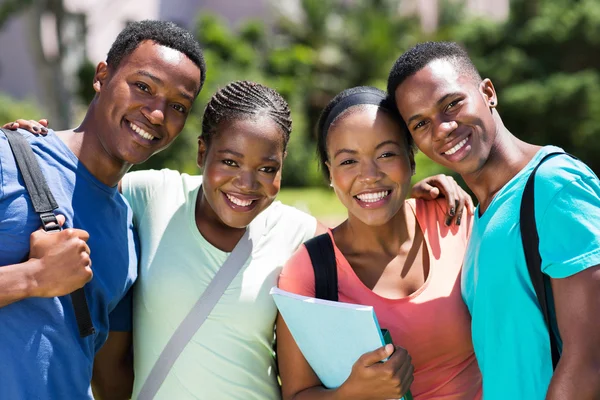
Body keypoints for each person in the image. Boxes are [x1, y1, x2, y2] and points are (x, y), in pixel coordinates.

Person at [12, 81, 467, 399]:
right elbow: (87, 177)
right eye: (229, 161)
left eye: (267, 169)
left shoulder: (300, 234)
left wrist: (418, 196)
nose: (246, 183)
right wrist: (38, 142)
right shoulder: (152, 194)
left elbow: (364, 230)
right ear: (202, 153)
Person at [0, 20, 205, 399]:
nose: (157, 114)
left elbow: (109, 376)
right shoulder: (9, 157)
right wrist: (32, 277)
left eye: (177, 106)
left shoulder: (127, 232)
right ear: (102, 76)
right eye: (143, 86)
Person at [387, 41, 600, 399]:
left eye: (452, 104)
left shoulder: (555, 186)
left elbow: (590, 360)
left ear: (488, 93)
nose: (441, 129)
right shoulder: (481, 214)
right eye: (421, 123)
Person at [276, 86, 481, 400]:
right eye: (348, 162)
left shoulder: (453, 217)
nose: (369, 175)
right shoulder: (308, 271)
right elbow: (296, 395)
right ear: (330, 174)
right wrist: (352, 392)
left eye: (386, 154)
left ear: (410, 160)